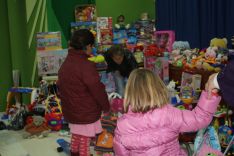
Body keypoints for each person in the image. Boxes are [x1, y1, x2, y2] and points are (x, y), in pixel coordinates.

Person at [113, 69, 221, 156]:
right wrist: (209, 95)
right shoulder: (168, 114)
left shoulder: (121, 125)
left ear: (129, 93)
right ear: (158, 89)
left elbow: (121, 153)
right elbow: (200, 118)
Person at [57, 29, 110, 156]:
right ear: (87, 46)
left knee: (76, 135)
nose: (92, 49)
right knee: (85, 140)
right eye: (92, 46)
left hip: (71, 110)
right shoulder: (86, 65)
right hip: (86, 111)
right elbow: (97, 89)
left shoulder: (67, 62)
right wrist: (106, 106)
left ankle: (74, 152)